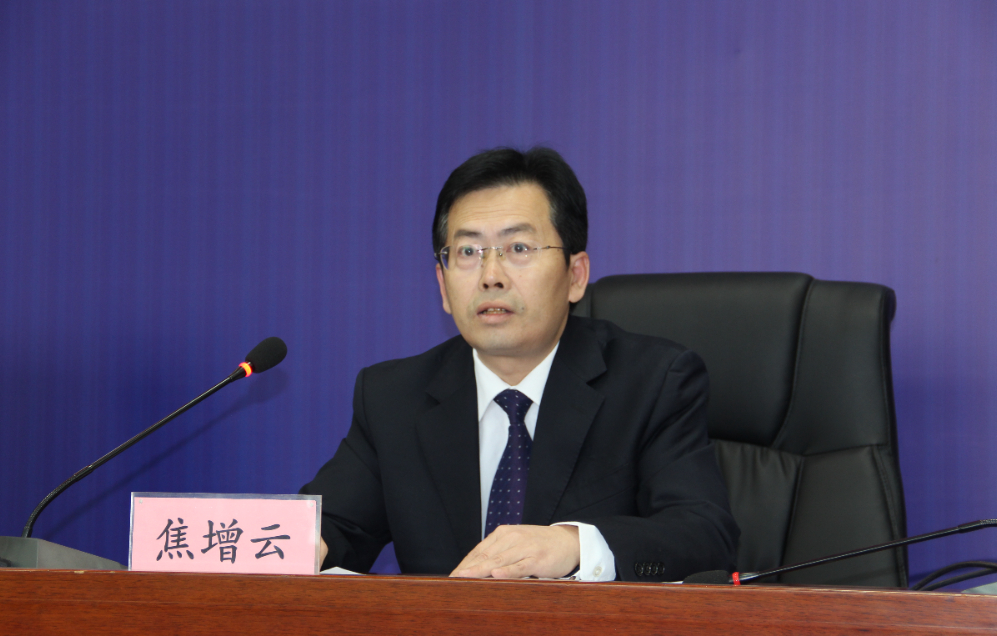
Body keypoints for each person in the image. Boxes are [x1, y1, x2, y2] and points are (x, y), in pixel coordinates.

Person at [301, 147, 738, 581]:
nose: (491, 275)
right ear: (443, 284)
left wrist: (574, 545)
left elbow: (704, 537)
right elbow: (333, 528)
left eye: (518, 248)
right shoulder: (393, 398)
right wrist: (301, 546)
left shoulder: (652, 383)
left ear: (575, 276)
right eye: (468, 252)